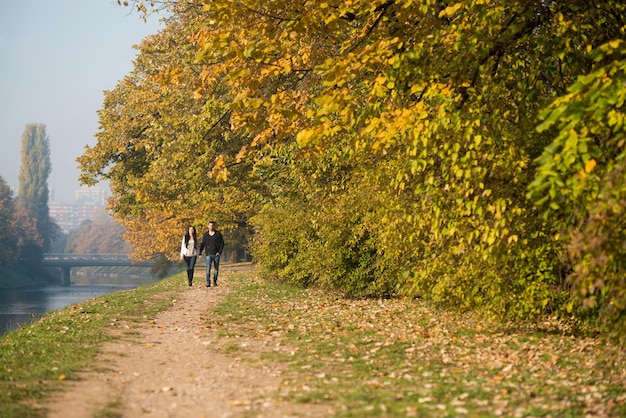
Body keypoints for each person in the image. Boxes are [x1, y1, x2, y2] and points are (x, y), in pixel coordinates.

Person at [198, 221, 225, 287]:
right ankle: (208, 282)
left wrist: (219, 252)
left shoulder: (218, 234)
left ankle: (214, 281)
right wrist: (200, 253)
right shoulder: (206, 235)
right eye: (210, 225)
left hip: (216, 254)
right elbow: (203, 244)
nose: (211, 227)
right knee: (208, 269)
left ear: (214, 226)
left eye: (212, 225)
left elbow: (222, 243)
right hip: (208, 254)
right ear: (208, 226)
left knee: (216, 269)